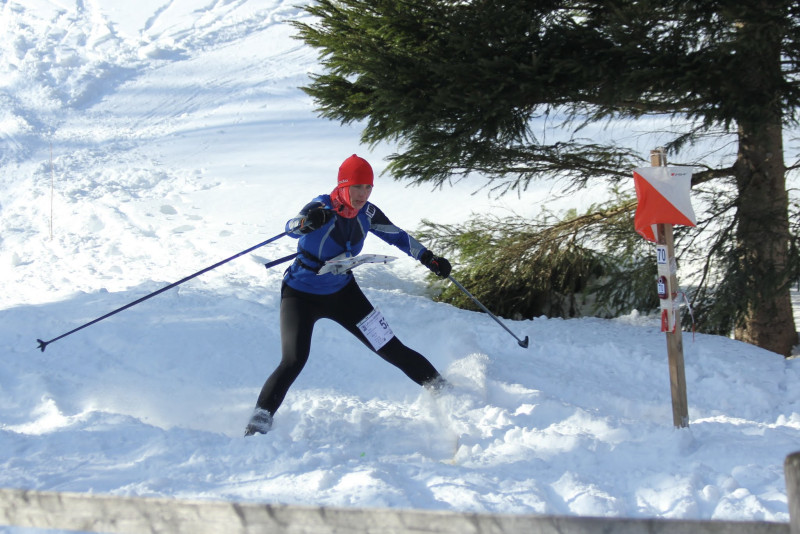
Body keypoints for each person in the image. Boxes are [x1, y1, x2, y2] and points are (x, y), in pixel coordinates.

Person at [244, 154, 452, 436]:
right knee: (293, 360)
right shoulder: (321, 207)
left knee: (390, 347)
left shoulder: (367, 213)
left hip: (343, 292)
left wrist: (428, 257)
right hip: (300, 294)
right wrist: (308, 221)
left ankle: (445, 391)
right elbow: (291, 229)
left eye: (368, 188)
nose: (363, 194)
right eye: (357, 187)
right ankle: (259, 421)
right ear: (343, 185)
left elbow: (398, 236)